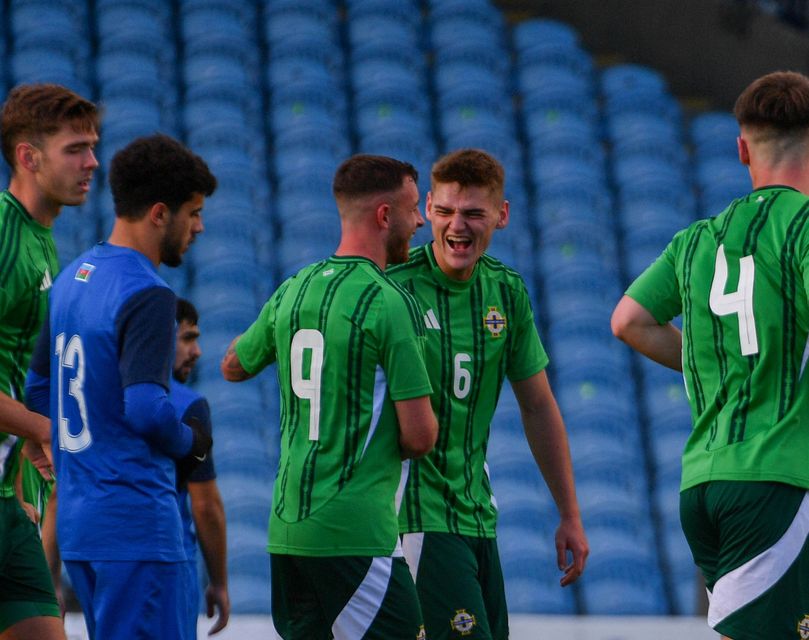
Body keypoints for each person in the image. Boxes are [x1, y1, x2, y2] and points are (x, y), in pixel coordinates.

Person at [611, 70, 809, 640]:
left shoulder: (696, 238)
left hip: (703, 483)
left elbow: (628, 321)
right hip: (776, 476)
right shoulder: (802, 226)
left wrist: (714, 362)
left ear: (742, 148)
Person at [221, 154, 438, 640]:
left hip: (286, 533)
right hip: (355, 533)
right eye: (411, 209)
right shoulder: (389, 302)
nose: (420, 220)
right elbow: (421, 437)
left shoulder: (293, 289)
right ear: (384, 217)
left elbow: (233, 366)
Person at [387, 149, 589, 640]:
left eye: (474, 213)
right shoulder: (393, 290)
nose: (458, 225)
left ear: (502, 215)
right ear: (428, 208)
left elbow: (538, 405)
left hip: (477, 516)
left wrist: (569, 514)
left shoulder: (506, 292)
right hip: (414, 516)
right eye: (445, 211)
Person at [25, 134, 216, 640]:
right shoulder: (148, 291)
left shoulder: (72, 277)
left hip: (81, 530)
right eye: (193, 212)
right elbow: (149, 409)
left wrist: (63, 452)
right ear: (159, 213)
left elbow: (38, 386)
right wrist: (192, 445)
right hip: (137, 527)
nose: (198, 226)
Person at [0, 83, 98, 639]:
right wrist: (44, 429)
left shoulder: (44, 239)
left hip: (10, 502)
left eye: (93, 146)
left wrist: (23, 467)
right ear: (28, 157)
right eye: (76, 149)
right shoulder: (1, 231)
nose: (93, 162)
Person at [170, 298, 229, 638]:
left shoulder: (102, 397)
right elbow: (206, 506)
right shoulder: (187, 405)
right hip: (168, 560)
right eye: (188, 338)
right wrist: (219, 582)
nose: (198, 351)